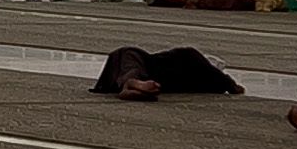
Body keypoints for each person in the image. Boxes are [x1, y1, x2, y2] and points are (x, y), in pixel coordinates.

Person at [93, 43, 241, 99]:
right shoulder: (203, 74)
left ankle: (132, 84)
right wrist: (229, 83)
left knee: (131, 62)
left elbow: (230, 85)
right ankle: (133, 84)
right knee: (132, 65)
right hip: (158, 76)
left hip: (142, 64)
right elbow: (230, 86)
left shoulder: (190, 58)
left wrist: (229, 83)